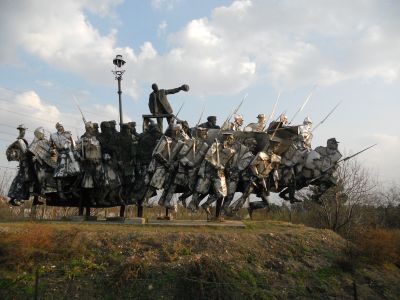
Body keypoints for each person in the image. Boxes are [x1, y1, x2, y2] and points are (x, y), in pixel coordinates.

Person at [189, 132, 236, 220]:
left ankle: (206, 205)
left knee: (221, 194)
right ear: (227, 138)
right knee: (199, 190)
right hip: (209, 172)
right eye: (232, 139)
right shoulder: (216, 145)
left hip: (219, 174)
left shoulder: (231, 151)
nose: (233, 141)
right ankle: (193, 205)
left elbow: (228, 163)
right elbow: (208, 156)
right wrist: (215, 164)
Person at [163, 126, 209, 208]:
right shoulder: (191, 142)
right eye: (204, 134)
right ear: (199, 134)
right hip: (183, 167)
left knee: (191, 189)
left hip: (193, 171)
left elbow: (202, 159)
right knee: (174, 185)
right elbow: (181, 154)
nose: (206, 136)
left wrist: (197, 167)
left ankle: (181, 198)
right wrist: (187, 162)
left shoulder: (205, 146)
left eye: (205, 134)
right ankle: (167, 201)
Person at [6, 124, 35, 206]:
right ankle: (18, 198)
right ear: (20, 131)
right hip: (25, 164)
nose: (23, 132)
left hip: (24, 164)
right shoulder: (20, 141)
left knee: (19, 180)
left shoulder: (21, 141)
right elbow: (26, 152)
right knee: (23, 180)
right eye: (22, 130)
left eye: (24, 130)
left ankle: (14, 198)